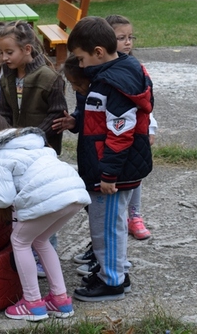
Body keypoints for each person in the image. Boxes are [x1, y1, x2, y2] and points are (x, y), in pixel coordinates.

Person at [0, 114, 91, 321]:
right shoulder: (29, 143)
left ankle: (32, 303)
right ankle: (60, 300)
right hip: (74, 192)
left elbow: (2, 198)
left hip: (49, 197)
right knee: (40, 240)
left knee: (20, 241)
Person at [66, 16, 154, 302]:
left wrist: (108, 175)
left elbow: (121, 133)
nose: (80, 66)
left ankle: (112, 281)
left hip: (113, 172)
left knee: (106, 228)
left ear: (99, 53)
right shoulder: (118, 72)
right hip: (114, 169)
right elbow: (99, 121)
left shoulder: (112, 83)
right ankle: (113, 272)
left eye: (81, 59)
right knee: (107, 225)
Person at [105, 14, 158, 240]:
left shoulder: (136, 67)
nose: (128, 42)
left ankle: (134, 215)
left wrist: (151, 128)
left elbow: (146, 103)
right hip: (114, 134)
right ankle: (117, 217)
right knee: (117, 176)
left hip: (137, 132)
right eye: (121, 38)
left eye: (130, 37)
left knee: (135, 174)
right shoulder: (102, 70)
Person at [0, 21, 67, 155]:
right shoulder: (6, 78)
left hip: (44, 148)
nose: (4, 57)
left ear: (27, 49)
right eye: (1, 52)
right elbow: (3, 112)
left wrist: (34, 137)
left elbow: (57, 115)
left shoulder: (49, 78)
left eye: (9, 52)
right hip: (15, 147)